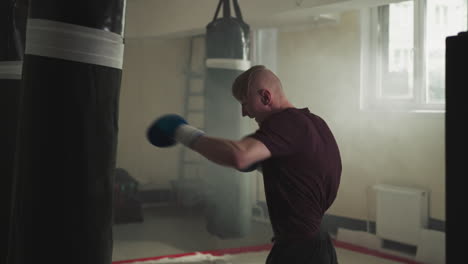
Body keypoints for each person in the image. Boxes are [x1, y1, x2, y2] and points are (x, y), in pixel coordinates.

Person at [147, 65, 341, 264]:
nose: (244, 113)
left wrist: (182, 132)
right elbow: (309, 171)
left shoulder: (286, 122)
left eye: (245, 103)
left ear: (265, 97)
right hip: (317, 245)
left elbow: (239, 155)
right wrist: (265, 165)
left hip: (301, 252)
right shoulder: (315, 123)